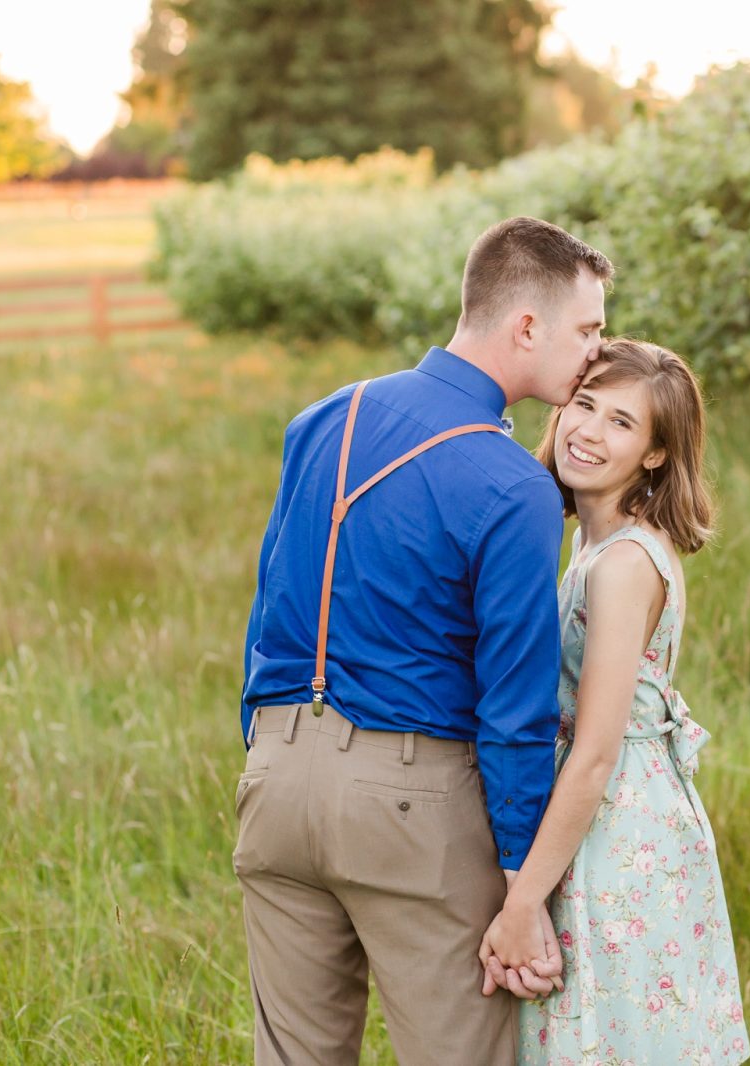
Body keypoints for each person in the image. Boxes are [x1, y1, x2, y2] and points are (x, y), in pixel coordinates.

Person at [234, 216, 613, 1065]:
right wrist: (524, 887)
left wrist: (269, 745)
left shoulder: (323, 418)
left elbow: (271, 605)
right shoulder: (513, 483)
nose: (597, 350)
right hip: (414, 806)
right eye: (588, 329)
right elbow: (513, 709)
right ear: (526, 327)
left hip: (276, 782)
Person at [478, 339, 750, 1064]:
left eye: (622, 423)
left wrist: (521, 903)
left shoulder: (627, 562)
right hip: (596, 820)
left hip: (618, 830)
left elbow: (597, 753)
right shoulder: (593, 547)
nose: (588, 431)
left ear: (657, 454)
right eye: (585, 404)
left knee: (621, 1039)